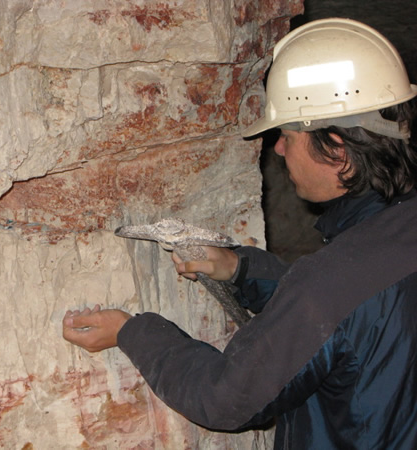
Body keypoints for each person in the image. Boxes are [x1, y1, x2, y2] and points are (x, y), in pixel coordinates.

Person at [62, 18, 417, 449]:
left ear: (338, 150)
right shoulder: (382, 244)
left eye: (287, 135)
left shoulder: (329, 287)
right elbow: (356, 314)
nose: (280, 149)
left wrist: (131, 331)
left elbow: (225, 399)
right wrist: (242, 269)